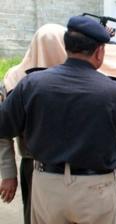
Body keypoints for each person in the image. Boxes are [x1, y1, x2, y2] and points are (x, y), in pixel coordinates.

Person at [0, 16, 116, 224]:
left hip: (47, 185)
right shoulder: (115, 91)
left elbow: (4, 126)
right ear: (99, 51)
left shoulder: (30, 84)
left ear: (67, 46)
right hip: (95, 188)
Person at [0, 24, 67, 224]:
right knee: (34, 215)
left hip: (73, 165)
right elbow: (3, 132)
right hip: (34, 164)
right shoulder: (14, 79)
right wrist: (9, 173)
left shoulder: (75, 79)